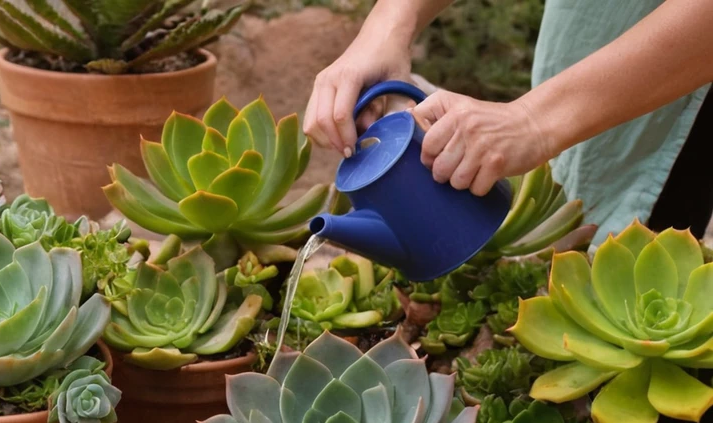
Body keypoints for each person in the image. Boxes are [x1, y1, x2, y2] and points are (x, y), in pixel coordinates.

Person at [304, 0, 713, 240]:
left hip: (682, 82)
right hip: (588, 36)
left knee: (648, 251)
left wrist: (534, 120)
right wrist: (386, 27)